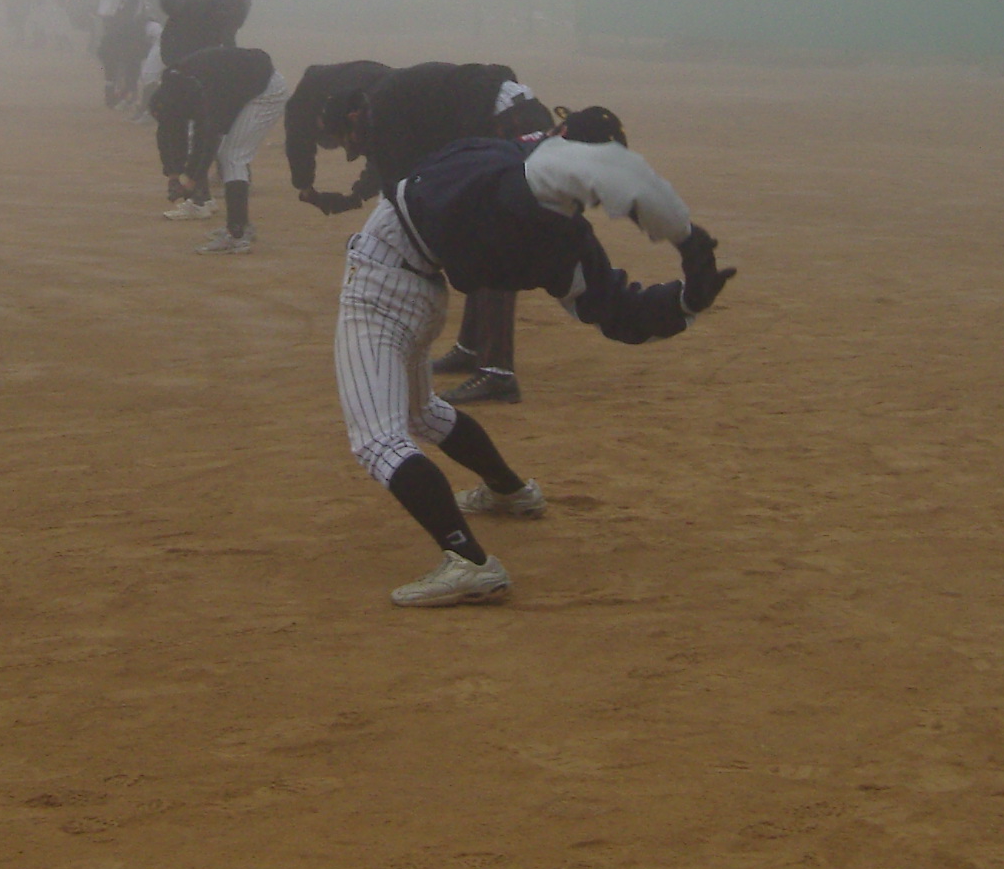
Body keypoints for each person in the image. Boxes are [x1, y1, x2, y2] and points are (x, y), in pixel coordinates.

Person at [332, 127, 733, 606]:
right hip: (420, 295)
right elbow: (619, 311)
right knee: (421, 413)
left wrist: (687, 240)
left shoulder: (510, 166)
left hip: (381, 284)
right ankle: (509, 491)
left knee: (378, 440)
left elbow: (604, 169)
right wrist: (686, 296)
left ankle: (469, 563)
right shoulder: (563, 240)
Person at [295, 59, 558, 406]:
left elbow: (403, 192)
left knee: (492, 242)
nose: (352, 150)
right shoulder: (385, 110)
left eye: (347, 141)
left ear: (353, 118)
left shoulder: (385, 115)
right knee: (474, 237)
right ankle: (471, 348)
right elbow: (392, 179)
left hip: (512, 123)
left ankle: (498, 374)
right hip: (502, 120)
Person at [147, 42, 288, 252]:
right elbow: (170, 131)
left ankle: (237, 235)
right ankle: (240, 227)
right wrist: (174, 175)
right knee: (228, 155)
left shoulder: (204, 91)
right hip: (243, 85)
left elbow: (208, 137)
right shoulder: (173, 89)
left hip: (265, 91)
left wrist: (193, 179)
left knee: (232, 157)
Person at [90, 0, 143, 109]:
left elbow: (128, 18)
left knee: (127, 66)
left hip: (126, 34)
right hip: (116, 30)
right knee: (112, 61)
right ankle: (116, 94)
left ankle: (126, 96)